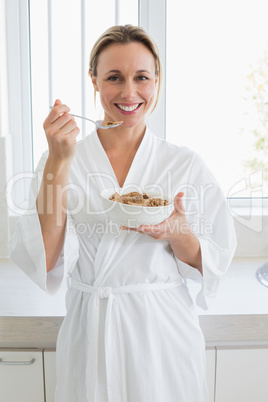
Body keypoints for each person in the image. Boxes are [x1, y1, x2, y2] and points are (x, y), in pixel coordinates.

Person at [9, 24, 236, 402]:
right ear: (94, 80)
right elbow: (44, 260)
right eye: (114, 77)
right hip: (91, 329)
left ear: (157, 81)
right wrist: (59, 161)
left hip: (163, 333)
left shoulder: (184, 164)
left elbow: (214, 263)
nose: (129, 92)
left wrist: (178, 232)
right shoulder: (63, 159)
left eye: (141, 77)